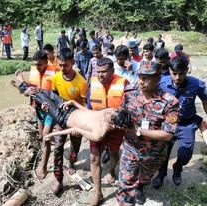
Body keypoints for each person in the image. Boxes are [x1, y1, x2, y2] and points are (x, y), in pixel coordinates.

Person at [117, 61, 179, 205]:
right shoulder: (129, 93)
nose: (141, 81)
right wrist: (119, 118)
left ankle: (141, 186)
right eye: (140, 76)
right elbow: (121, 111)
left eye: (146, 78)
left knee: (145, 177)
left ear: (157, 78)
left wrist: (138, 130)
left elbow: (168, 134)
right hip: (130, 148)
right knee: (125, 184)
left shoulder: (169, 102)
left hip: (154, 153)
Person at [152, 56, 207, 189]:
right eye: (174, 74)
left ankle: (177, 167)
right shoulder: (161, 83)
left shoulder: (197, 84)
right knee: (163, 153)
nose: (177, 77)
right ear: (169, 71)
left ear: (187, 70)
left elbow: (206, 101)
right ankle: (161, 174)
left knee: (186, 155)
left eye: (181, 74)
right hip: (166, 124)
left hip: (187, 123)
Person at [11, 51, 58, 180]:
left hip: (50, 110)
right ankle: (52, 143)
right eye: (36, 64)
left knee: (45, 138)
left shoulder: (55, 73)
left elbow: (59, 94)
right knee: (41, 134)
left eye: (40, 64)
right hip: (38, 109)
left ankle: (43, 166)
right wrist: (24, 90)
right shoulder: (34, 72)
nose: (37, 67)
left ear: (46, 62)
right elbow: (26, 92)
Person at [87, 57, 128, 206]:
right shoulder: (93, 83)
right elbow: (89, 106)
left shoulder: (123, 83)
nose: (100, 75)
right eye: (98, 72)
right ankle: (97, 192)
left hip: (115, 129)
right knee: (94, 158)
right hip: (97, 127)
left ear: (112, 71)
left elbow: (128, 109)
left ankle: (111, 171)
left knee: (114, 153)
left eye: (104, 72)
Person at [51, 48, 88, 194]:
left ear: (73, 62)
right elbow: (54, 96)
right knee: (58, 148)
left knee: (75, 144)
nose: (62, 68)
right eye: (60, 65)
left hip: (77, 119)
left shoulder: (81, 82)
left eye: (65, 65)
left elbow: (85, 106)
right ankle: (58, 180)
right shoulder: (56, 78)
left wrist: (80, 126)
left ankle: (72, 162)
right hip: (61, 118)